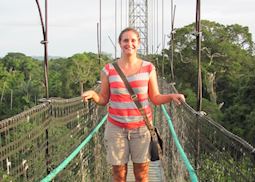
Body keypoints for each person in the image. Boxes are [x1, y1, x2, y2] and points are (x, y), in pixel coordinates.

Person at [82, 27, 185, 182]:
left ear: (138, 43)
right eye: (125, 40)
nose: (129, 44)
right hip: (116, 128)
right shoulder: (108, 70)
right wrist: (94, 95)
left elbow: (155, 98)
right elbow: (104, 99)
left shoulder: (148, 68)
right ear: (119, 43)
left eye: (133, 40)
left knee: (141, 175)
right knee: (118, 174)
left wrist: (171, 96)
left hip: (142, 128)